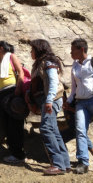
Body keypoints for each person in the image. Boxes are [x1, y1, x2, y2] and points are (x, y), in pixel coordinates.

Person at [27, 39, 70, 175]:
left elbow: (53, 82)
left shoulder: (48, 62)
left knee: (45, 128)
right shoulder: (39, 64)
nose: (30, 52)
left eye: (32, 49)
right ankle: (65, 163)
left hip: (51, 99)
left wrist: (49, 100)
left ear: (39, 50)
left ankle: (57, 164)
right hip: (47, 100)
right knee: (53, 130)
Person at [66, 38, 93, 174]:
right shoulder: (75, 66)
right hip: (81, 103)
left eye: (73, 50)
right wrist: (69, 100)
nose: (71, 53)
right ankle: (83, 163)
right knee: (80, 131)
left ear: (81, 49)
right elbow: (74, 87)